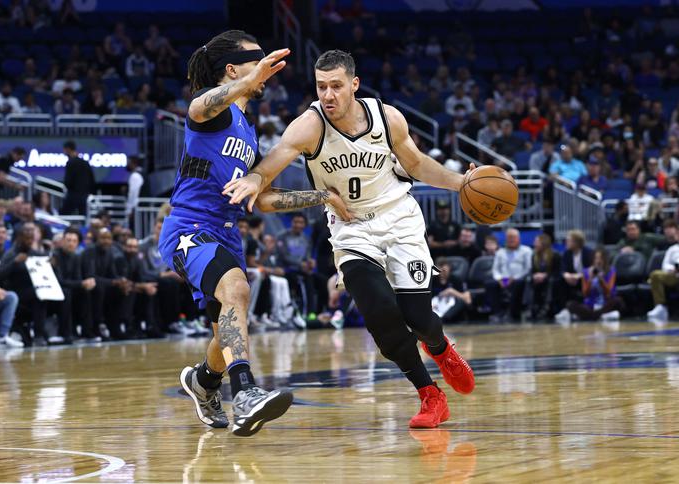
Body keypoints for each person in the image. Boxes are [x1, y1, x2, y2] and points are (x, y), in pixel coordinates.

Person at [225, 49, 476, 429]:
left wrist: (460, 182)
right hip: (352, 230)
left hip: (399, 217)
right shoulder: (307, 127)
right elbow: (267, 175)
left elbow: (417, 164)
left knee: (419, 318)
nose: (328, 95)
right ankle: (430, 394)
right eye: (321, 86)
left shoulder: (386, 118)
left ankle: (439, 347)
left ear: (354, 85)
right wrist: (256, 180)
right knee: (379, 314)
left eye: (336, 86)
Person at [157, 31, 349, 436]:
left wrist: (322, 197)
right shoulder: (214, 112)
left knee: (225, 336)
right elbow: (197, 105)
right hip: (189, 228)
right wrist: (245, 82)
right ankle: (244, 394)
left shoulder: (246, 127)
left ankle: (204, 381)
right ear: (233, 69)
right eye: (256, 61)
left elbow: (262, 200)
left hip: (226, 235)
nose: (265, 72)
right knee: (238, 291)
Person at [558, 248, 624, 324]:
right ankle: (600, 316)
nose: (598, 261)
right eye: (596, 258)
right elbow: (585, 294)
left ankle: (591, 316)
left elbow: (609, 292)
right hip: (590, 305)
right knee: (570, 304)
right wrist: (590, 279)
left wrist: (601, 280)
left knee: (618, 301)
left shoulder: (611, 271)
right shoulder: (586, 271)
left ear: (605, 260)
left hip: (605, 303)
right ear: (593, 259)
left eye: (601, 258)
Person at [484, 228, 532, 323]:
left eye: (513, 237)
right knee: (490, 284)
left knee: (519, 283)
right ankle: (498, 313)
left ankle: (512, 312)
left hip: (519, 278)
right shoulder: (500, 252)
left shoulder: (526, 251)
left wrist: (513, 278)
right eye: (509, 237)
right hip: (504, 279)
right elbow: (495, 269)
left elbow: (527, 268)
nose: (511, 240)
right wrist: (499, 279)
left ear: (518, 238)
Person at [647, 237, 679, 323]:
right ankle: (660, 306)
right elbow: (665, 264)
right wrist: (672, 269)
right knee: (655, 275)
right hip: (674, 275)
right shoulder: (672, 249)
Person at [62, 140, 96, 215]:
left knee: (63, 215)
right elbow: (92, 180)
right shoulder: (85, 163)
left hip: (73, 196)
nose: (64, 152)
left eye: (64, 150)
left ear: (68, 149)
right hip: (85, 196)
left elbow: (68, 182)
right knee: (84, 217)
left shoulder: (70, 163)